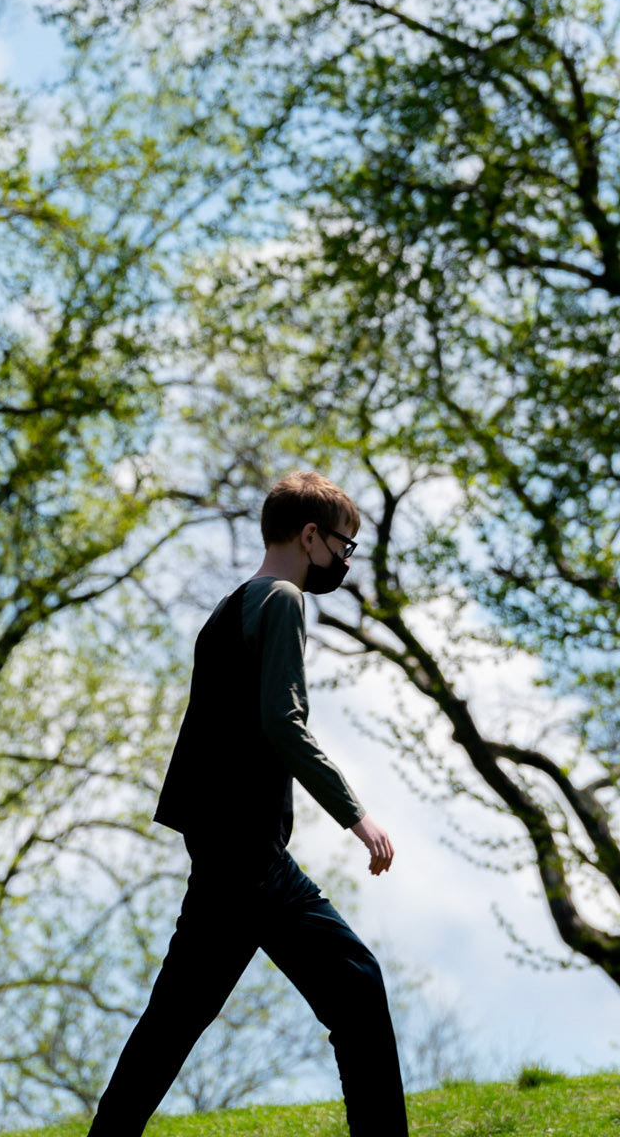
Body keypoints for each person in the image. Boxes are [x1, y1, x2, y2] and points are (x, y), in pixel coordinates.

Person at [88, 470, 408, 1137]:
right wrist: (357, 815)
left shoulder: (229, 606)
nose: (345, 562)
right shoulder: (282, 601)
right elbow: (281, 722)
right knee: (355, 984)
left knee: (173, 1020)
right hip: (247, 851)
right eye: (344, 547)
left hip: (216, 844)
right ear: (311, 535)